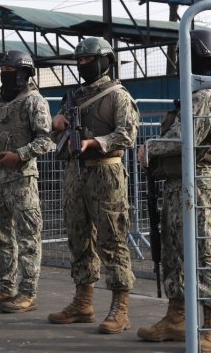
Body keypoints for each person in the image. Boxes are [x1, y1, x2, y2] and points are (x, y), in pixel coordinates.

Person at [135, 29, 211, 350]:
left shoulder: (205, 95)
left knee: (201, 249)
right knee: (174, 249)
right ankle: (177, 317)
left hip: (197, 182)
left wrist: (149, 146)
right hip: (179, 183)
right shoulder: (195, 93)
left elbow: (184, 137)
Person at [48, 36, 138, 335]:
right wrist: (56, 123)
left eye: (89, 60)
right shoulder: (73, 96)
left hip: (105, 172)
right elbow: (53, 139)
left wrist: (96, 142)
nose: (83, 65)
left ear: (106, 61)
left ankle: (120, 307)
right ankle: (83, 302)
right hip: (75, 174)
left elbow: (127, 134)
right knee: (78, 238)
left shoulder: (117, 96)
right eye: (80, 61)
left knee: (112, 240)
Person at [0, 51, 54, 313]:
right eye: (2, 69)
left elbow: (45, 140)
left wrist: (19, 155)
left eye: (9, 69)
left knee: (28, 237)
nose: (4, 73)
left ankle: (28, 292)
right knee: (1, 237)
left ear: (23, 73)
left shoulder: (34, 102)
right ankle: (5, 286)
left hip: (21, 180)